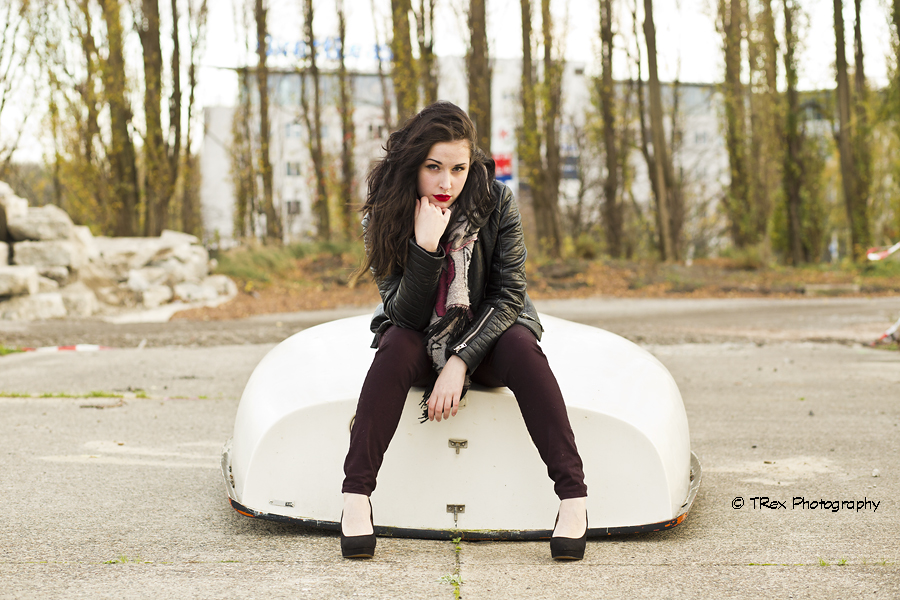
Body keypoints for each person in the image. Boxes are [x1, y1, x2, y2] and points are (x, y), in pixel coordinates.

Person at [340, 101, 588, 561]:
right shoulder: (383, 216)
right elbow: (404, 314)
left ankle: (573, 499)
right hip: (420, 337)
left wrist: (460, 361)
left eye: (458, 168)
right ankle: (356, 499)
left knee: (522, 345)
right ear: (413, 164)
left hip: (489, 336)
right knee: (395, 344)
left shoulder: (496, 202)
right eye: (433, 167)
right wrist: (425, 247)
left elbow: (509, 295)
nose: (446, 183)